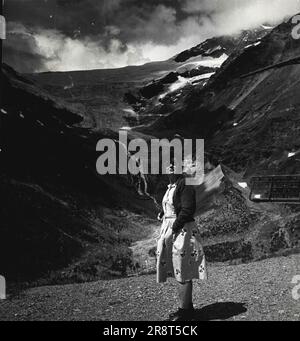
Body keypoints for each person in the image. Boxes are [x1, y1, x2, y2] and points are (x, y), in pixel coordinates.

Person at [156, 164, 207, 321]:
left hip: (182, 230)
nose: (170, 167)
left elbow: (187, 209)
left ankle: (184, 312)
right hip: (173, 228)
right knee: (178, 268)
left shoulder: (185, 184)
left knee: (182, 268)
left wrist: (174, 227)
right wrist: (163, 214)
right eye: (168, 165)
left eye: (174, 165)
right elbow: (173, 206)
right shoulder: (173, 186)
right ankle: (187, 308)